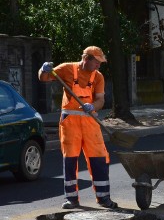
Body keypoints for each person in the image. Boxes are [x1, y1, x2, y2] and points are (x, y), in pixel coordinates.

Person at [38, 46, 118, 209]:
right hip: (70, 123)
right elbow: (44, 78)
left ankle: (104, 198)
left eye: (100, 63)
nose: (99, 65)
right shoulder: (67, 69)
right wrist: (43, 69)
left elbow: (100, 100)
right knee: (70, 159)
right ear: (87, 59)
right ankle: (71, 199)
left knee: (99, 158)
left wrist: (93, 106)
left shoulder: (98, 77)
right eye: (97, 62)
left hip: (90, 121)